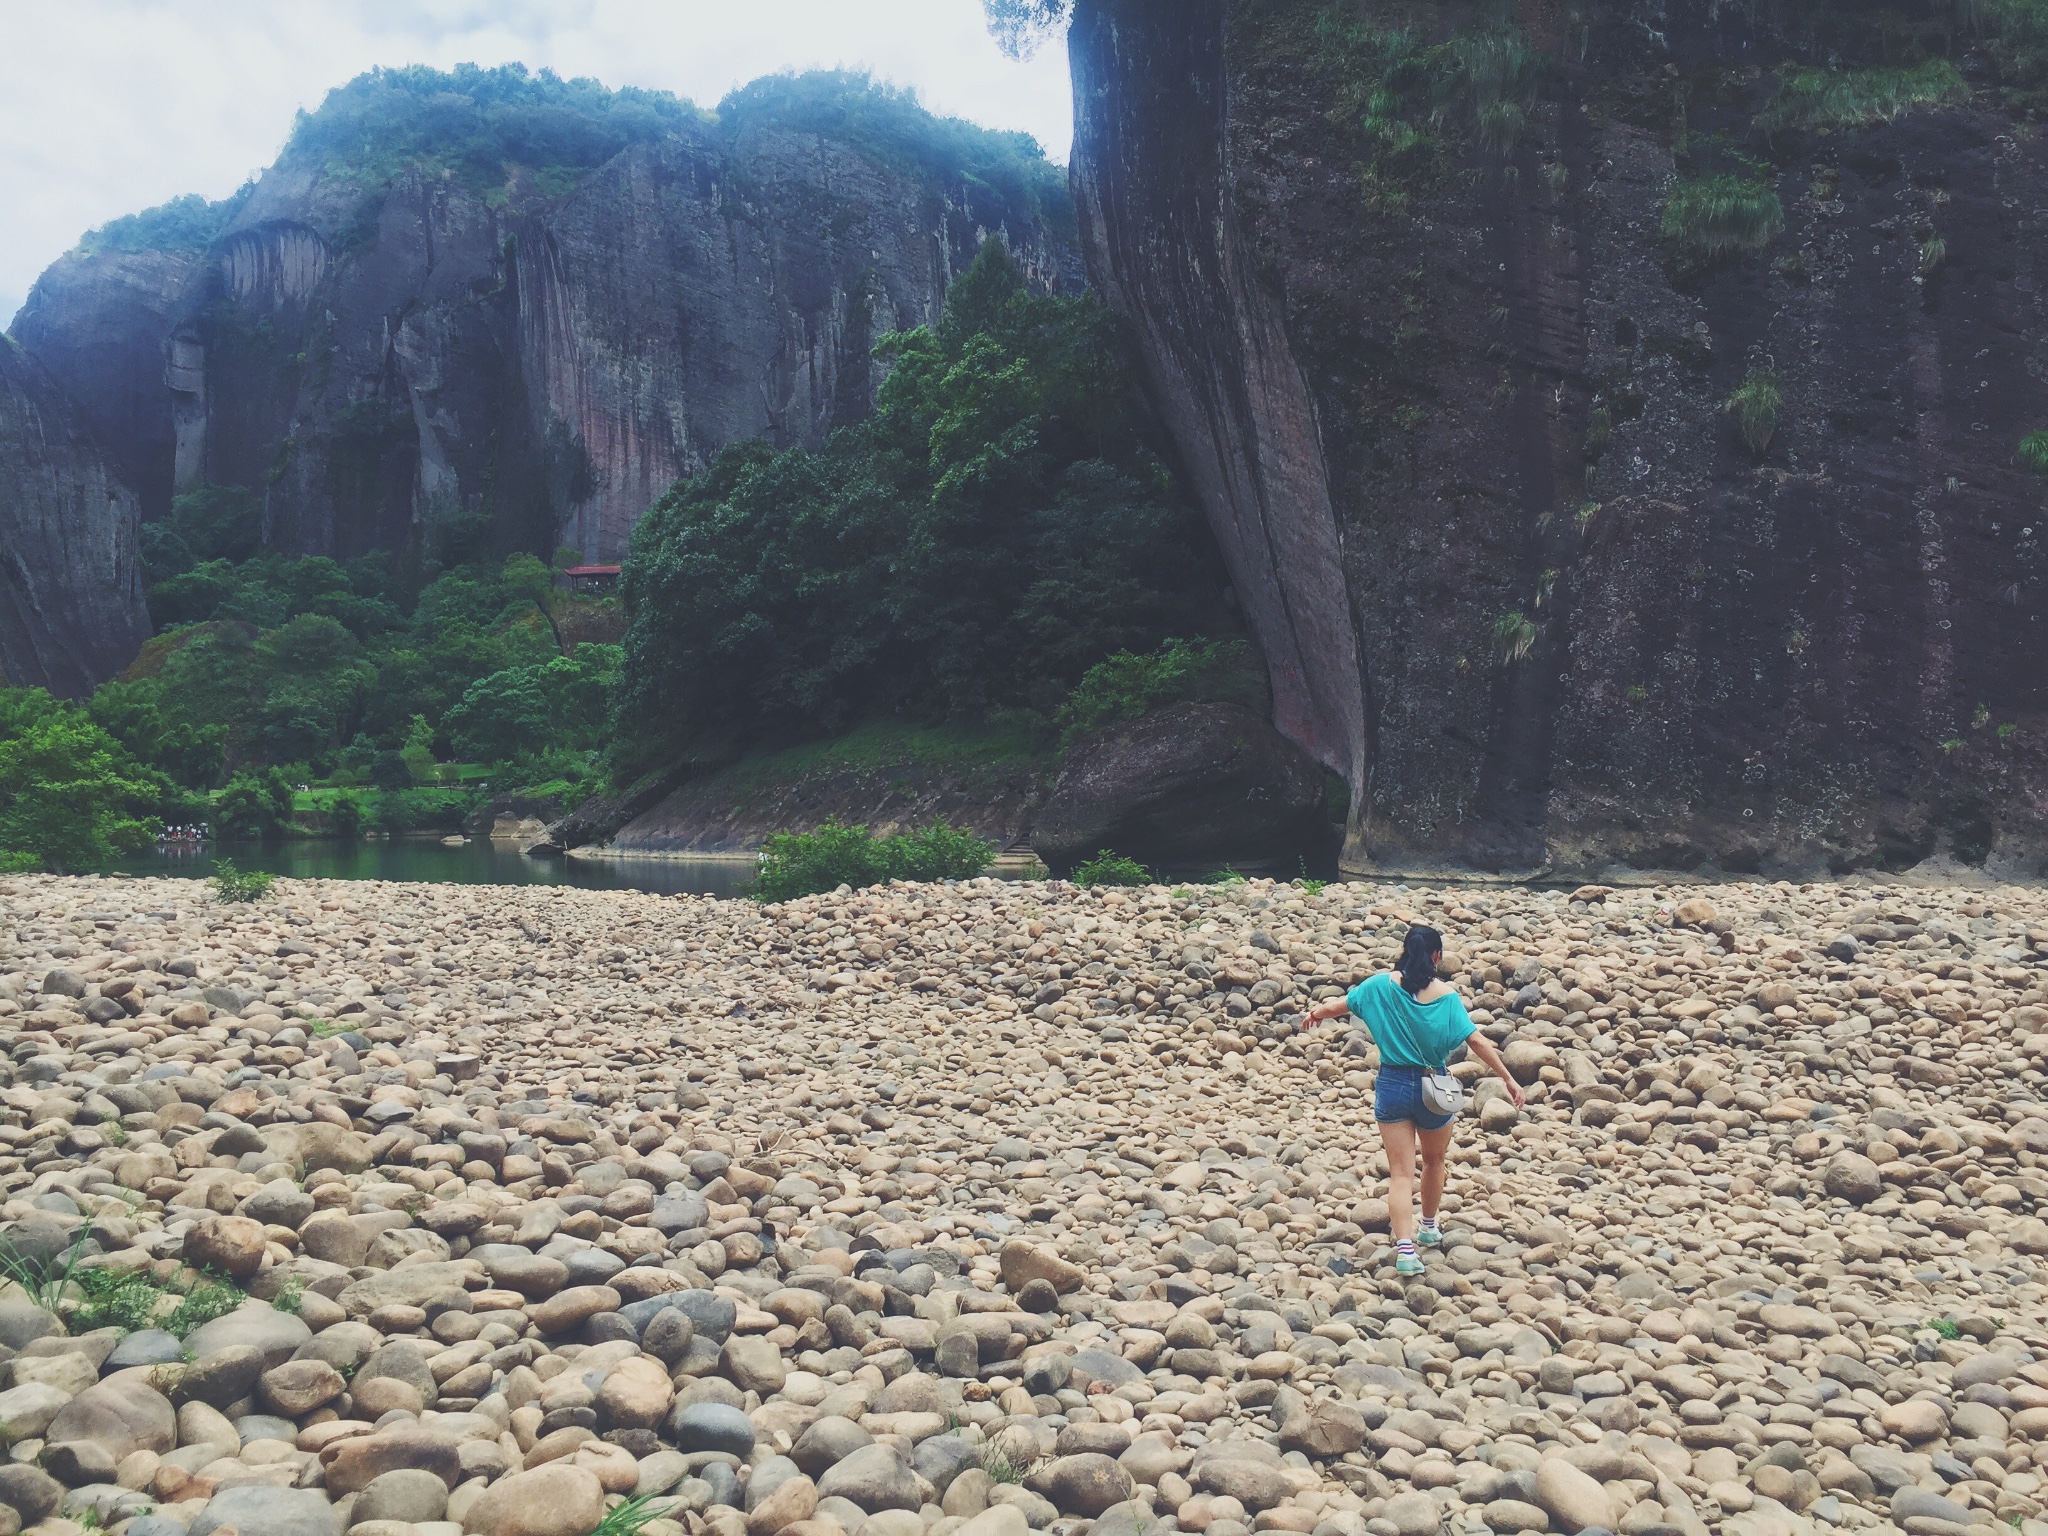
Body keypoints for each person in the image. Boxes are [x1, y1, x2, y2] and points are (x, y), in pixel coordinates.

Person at [1305, 924, 1523, 1275]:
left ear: (1405, 951)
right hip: (1433, 1088)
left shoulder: (1378, 986)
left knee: (1401, 1174)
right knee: (1435, 1161)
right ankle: (1429, 1226)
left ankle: (1405, 1250)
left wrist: (1315, 1014)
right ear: (1436, 955)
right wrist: (1509, 1078)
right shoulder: (1447, 998)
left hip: (1392, 1085)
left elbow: (1341, 1006)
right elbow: (1477, 1041)